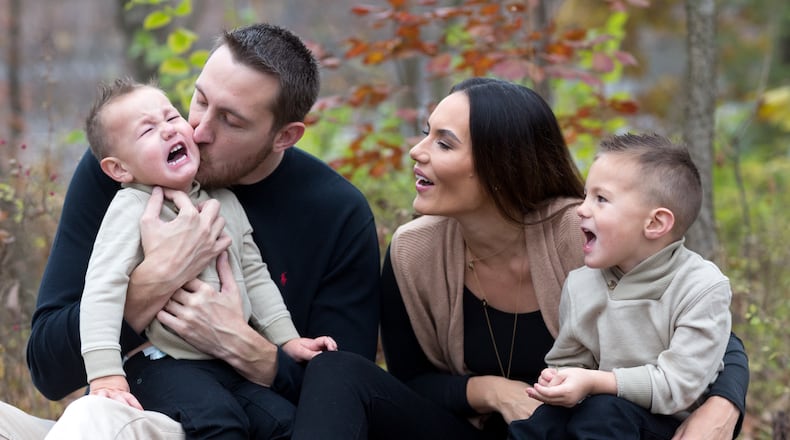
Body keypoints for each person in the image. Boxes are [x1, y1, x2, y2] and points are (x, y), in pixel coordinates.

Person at [290, 78, 749, 440]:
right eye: (426, 133)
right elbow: (412, 382)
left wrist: (723, 407)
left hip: (595, 428)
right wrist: (493, 392)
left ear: (501, 164)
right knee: (336, 370)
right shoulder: (415, 251)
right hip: (491, 430)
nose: (418, 151)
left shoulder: (586, 233)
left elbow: (706, 324)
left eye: (444, 143)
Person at [13, 22, 380, 439]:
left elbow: (348, 403)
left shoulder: (337, 214)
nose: (197, 131)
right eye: (199, 100)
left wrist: (248, 347)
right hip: (141, 409)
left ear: (284, 136)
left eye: (231, 121)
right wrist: (157, 280)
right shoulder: (124, 174)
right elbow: (48, 369)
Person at [79, 77, 338, 438]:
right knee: (218, 423)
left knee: (284, 422)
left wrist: (287, 339)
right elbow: (103, 287)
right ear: (119, 169)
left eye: (171, 117)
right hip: (160, 363)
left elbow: (254, 271)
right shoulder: (131, 206)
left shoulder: (225, 201)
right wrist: (105, 372)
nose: (169, 131)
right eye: (148, 130)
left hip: (228, 364)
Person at [507, 133, 732, 439]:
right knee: (541, 424)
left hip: (668, 424)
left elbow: (679, 386)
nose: (581, 209)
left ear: (654, 224)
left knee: (604, 413)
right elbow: (572, 358)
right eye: (586, 195)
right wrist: (559, 379)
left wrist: (595, 382)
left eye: (601, 199)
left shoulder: (701, 286)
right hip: (598, 412)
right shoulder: (581, 283)